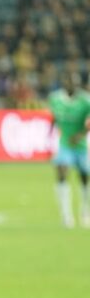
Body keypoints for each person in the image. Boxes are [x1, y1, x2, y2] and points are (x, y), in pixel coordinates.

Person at [48, 72, 90, 228]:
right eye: (69, 82)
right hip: (65, 144)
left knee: (84, 179)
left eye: (75, 83)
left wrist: (81, 135)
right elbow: (54, 118)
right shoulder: (55, 99)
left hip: (81, 147)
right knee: (61, 172)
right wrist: (50, 137)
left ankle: (85, 210)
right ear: (64, 84)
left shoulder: (85, 101)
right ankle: (66, 215)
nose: (72, 86)